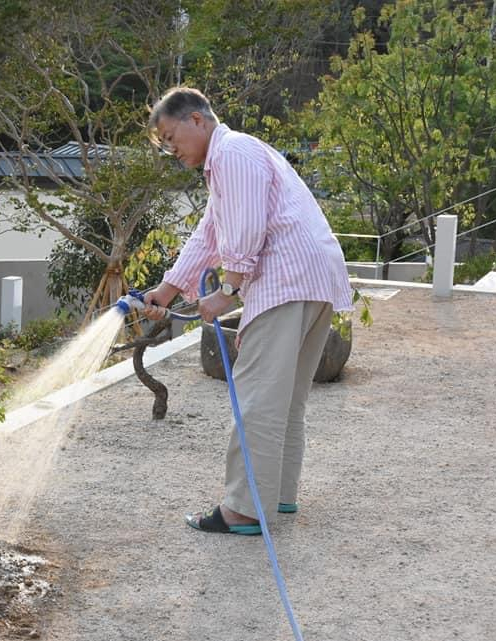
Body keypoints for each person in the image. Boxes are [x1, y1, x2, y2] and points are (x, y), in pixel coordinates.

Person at [143, 87, 353, 535]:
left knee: (257, 398)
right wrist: (168, 288)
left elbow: (245, 230)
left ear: (197, 120)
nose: (169, 148)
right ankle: (277, 496)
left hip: (285, 281)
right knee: (285, 397)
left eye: (170, 135)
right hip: (312, 277)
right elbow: (210, 234)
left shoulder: (233, 154)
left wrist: (229, 289)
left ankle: (242, 509)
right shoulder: (231, 160)